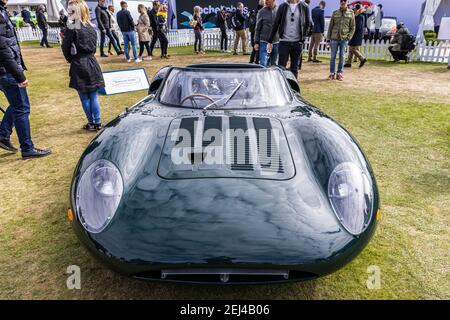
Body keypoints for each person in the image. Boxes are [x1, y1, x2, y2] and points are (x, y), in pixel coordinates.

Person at [0, 0, 51, 159]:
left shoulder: (2, 10)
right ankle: (27, 147)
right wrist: (19, 75)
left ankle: (2, 134)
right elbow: (2, 49)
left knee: (17, 105)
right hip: (7, 70)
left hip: (7, 69)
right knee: (21, 107)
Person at [62, 0, 105, 131]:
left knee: (85, 96)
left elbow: (66, 47)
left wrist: (71, 59)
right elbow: (94, 47)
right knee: (93, 95)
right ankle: (97, 123)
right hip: (92, 62)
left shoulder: (72, 27)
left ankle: (92, 123)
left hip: (79, 62)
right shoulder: (91, 26)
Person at [267, 0, 310, 79]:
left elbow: (308, 23)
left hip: (297, 43)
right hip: (284, 42)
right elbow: (276, 23)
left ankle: (293, 89)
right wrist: (270, 41)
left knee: (294, 68)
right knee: (281, 67)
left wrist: (303, 38)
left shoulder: (304, 6)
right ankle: (281, 88)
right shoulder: (282, 6)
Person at [327, 0, 355, 81]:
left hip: (344, 39)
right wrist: (328, 39)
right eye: (341, 1)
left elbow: (353, 27)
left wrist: (348, 37)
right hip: (334, 38)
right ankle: (332, 73)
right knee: (332, 57)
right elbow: (330, 27)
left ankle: (339, 73)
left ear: (347, 2)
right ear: (340, 2)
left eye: (345, 1)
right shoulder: (335, 12)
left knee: (342, 57)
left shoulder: (351, 13)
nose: (343, 2)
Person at [254, 0, 278, 67]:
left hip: (276, 42)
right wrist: (256, 42)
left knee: (274, 65)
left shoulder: (279, 10)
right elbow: (257, 28)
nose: (266, 1)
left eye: (268, 0)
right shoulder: (261, 11)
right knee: (263, 64)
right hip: (264, 41)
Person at [344, 3, 366, 68]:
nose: (353, 10)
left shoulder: (359, 16)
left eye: (354, 9)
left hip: (356, 35)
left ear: (357, 9)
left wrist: (350, 29)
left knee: (352, 49)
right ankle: (348, 62)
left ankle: (362, 59)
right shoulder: (357, 16)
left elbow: (358, 27)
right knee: (351, 49)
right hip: (355, 35)